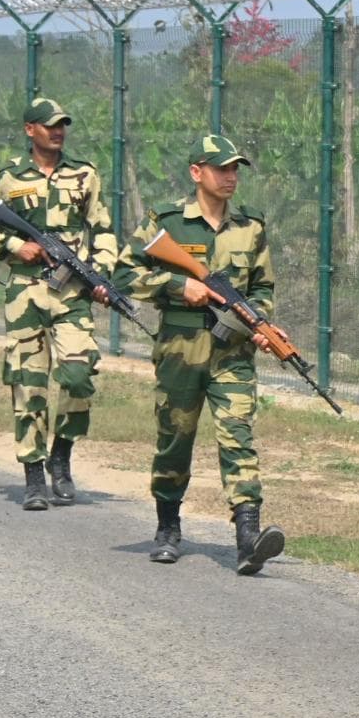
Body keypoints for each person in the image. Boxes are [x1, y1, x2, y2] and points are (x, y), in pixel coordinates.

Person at [118, 134, 284, 574]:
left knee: (238, 438)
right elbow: (123, 273)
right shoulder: (167, 223)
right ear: (197, 172)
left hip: (233, 351)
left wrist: (260, 322)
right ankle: (168, 527)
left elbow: (263, 287)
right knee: (176, 438)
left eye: (235, 169)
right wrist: (178, 286)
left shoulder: (251, 226)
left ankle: (248, 536)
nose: (230, 177)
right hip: (179, 347)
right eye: (221, 168)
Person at [0, 96, 119, 510]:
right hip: (25, 294)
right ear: (29, 129)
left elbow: (103, 228)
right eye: (49, 125)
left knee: (78, 375)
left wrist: (101, 275)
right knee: (28, 384)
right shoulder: (7, 178)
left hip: (72, 292)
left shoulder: (85, 174)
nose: (58, 131)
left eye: (62, 125)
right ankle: (34, 476)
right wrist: (17, 245)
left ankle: (61, 456)